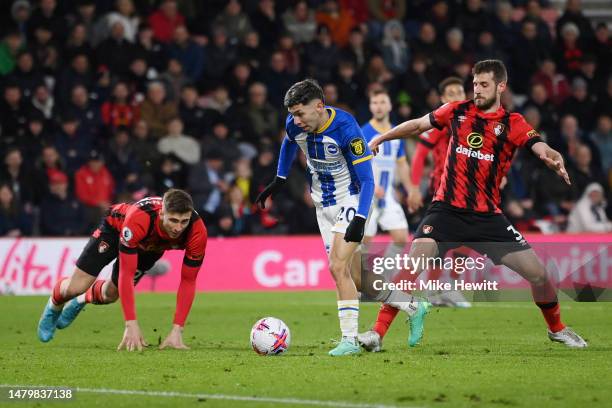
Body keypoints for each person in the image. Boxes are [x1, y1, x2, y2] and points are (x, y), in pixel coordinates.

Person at [369, 60, 587, 348]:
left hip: (487, 217)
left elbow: (538, 144)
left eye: (484, 85)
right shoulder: (457, 111)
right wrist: (383, 136)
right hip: (445, 209)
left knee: (540, 276)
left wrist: (549, 154)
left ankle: (557, 328)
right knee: (411, 264)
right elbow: (419, 124)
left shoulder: (513, 123)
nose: (477, 90)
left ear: (501, 86)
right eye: (475, 84)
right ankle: (376, 334)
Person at [255, 79, 429, 356]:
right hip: (322, 206)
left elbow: (367, 181)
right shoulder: (294, 124)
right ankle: (412, 306)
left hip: (352, 198)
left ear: (319, 106)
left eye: (300, 113)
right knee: (356, 278)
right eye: (292, 114)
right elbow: (288, 143)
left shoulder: (347, 129)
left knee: (337, 267)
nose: (295, 120)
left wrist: (360, 217)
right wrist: (280, 178)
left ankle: (349, 339)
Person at [37, 189, 207, 351]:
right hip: (114, 229)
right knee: (74, 288)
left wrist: (178, 330)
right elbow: (126, 274)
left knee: (111, 295)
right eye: (173, 221)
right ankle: (54, 306)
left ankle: (82, 299)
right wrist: (130, 323)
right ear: (162, 214)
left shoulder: (197, 231)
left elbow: (188, 280)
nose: (178, 228)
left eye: (184, 221)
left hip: (150, 248)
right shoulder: (140, 218)